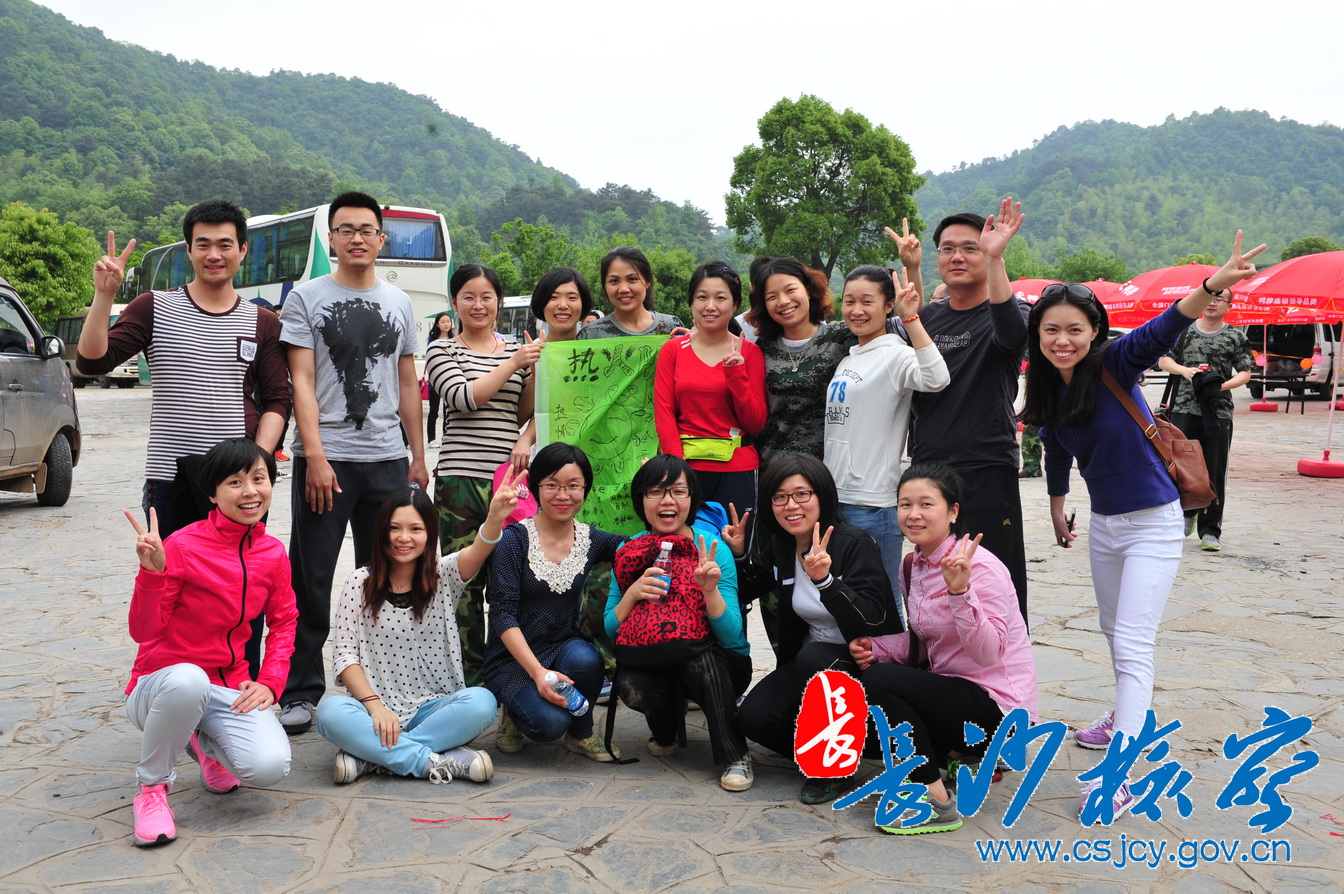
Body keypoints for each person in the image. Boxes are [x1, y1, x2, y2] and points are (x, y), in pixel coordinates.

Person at [1022, 232, 1264, 820]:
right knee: (1113, 631)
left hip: (1154, 523)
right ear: (1038, 335)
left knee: (1133, 644)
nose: (1062, 340)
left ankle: (1120, 775)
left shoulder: (1116, 361)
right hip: (1105, 526)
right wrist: (1056, 504)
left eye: (1074, 329)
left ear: (1094, 331)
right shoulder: (1048, 386)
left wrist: (1215, 283)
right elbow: (1055, 447)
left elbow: (1166, 325)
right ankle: (1122, 718)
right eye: (1051, 330)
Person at [278, 191, 430, 735]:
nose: (357, 238)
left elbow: (408, 383)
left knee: (388, 575)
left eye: (367, 230)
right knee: (311, 577)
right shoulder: (306, 298)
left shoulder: (400, 302)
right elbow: (300, 381)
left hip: (388, 461)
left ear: (381, 239)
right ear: (331, 239)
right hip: (327, 461)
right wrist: (315, 454)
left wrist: (417, 456)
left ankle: (382, 685)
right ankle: (301, 690)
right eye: (346, 230)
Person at [121, 438, 297, 848]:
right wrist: (152, 575)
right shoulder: (181, 546)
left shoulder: (272, 553)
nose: (250, 491)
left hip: (226, 685)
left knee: (269, 767)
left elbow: (285, 621)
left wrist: (271, 682)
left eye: (259, 479)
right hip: (161, 684)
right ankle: (151, 791)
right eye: (235, 482)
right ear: (213, 493)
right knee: (189, 681)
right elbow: (143, 631)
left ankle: (201, 744)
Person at [78, 203, 291, 539]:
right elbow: (92, 362)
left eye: (224, 245)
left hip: (239, 481)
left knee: (239, 569)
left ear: (242, 250)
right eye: (203, 245)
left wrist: (258, 461)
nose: (213, 255)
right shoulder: (153, 307)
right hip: (168, 476)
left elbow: (278, 399)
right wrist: (104, 295)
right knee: (172, 568)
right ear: (189, 250)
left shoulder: (262, 322)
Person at [849, 463, 1038, 835]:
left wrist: (959, 592)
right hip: (952, 694)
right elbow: (927, 641)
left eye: (926, 504)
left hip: (998, 708)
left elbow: (988, 654)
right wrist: (878, 647)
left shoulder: (981, 567)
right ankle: (955, 757)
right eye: (905, 504)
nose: (913, 514)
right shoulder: (912, 565)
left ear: (953, 511)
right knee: (868, 714)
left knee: (880, 682)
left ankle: (935, 799)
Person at [315, 478, 521, 785]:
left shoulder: (444, 575)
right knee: (330, 711)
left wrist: (494, 517)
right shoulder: (359, 582)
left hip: (432, 708)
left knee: (483, 702)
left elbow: (479, 550)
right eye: (394, 528)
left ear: (429, 533)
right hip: (373, 712)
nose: (403, 538)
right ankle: (431, 761)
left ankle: (371, 757)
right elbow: (345, 656)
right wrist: (376, 708)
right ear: (382, 531)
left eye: (415, 529)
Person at [730, 454, 899, 804]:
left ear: (822, 495)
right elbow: (745, 590)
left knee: (815, 656)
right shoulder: (782, 546)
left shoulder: (854, 543)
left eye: (801, 494)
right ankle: (835, 748)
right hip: (814, 666)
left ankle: (832, 768)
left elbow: (872, 619)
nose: (791, 505)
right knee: (753, 717)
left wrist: (826, 581)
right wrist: (739, 555)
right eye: (780, 497)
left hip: (866, 663)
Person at [910, 199, 1032, 624]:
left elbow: (1012, 338)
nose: (957, 256)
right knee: (933, 580)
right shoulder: (929, 318)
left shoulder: (1012, 311)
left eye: (970, 248)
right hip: (929, 469)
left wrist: (996, 259)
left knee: (995, 578)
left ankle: (1006, 661)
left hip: (986, 466)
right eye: (947, 249)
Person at [424, 264, 542, 688]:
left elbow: (529, 411)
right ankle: (467, 681)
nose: (478, 305)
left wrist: (535, 377)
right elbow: (464, 398)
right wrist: (515, 362)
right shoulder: (442, 351)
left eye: (486, 296)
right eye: (469, 297)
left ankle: (506, 675)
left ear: (498, 302)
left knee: (510, 583)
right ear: (454, 302)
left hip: (510, 482)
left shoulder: (518, 350)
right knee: (462, 581)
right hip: (458, 480)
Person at [606, 455, 753, 791]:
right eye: (656, 491)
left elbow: (733, 637)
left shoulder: (712, 548)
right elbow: (611, 630)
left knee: (698, 657)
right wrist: (632, 594)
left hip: (718, 666)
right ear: (641, 499)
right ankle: (665, 730)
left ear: (692, 498)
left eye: (678, 491)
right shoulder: (629, 550)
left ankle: (735, 754)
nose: (667, 500)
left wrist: (710, 591)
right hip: (654, 659)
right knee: (631, 682)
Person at [484, 443, 623, 761]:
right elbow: (502, 614)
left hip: (562, 646)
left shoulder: (590, 539)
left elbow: (638, 549)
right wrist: (537, 673)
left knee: (587, 659)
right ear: (536, 487)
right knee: (548, 725)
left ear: (585, 489)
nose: (563, 495)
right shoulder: (515, 539)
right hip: (513, 657)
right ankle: (512, 713)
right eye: (552, 485)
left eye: (573, 486)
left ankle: (582, 733)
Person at [825, 265, 949, 605]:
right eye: (849, 301)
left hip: (873, 504)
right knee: (850, 599)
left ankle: (899, 644)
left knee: (884, 600)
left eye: (867, 301)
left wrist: (912, 320)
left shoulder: (896, 354)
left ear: (888, 305)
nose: (857, 310)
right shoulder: (850, 358)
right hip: (838, 499)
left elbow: (937, 378)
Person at [654, 262, 768, 517]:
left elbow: (755, 423)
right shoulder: (672, 350)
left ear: (735, 304)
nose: (710, 306)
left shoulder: (750, 353)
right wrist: (677, 470)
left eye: (721, 298)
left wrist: (736, 375)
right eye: (702, 297)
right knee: (683, 540)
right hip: (686, 470)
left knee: (734, 541)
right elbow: (664, 412)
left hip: (737, 470)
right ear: (691, 302)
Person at [1156, 288, 1253, 551]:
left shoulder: (1235, 337)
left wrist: (1221, 386)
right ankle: (1185, 514)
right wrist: (1184, 371)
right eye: (1210, 297)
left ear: (1229, 306)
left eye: (1219, 299)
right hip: (1182, 409)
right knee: (1179, 467)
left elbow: (1245, 372)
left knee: (1214, 469)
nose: (1212, 302)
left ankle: (1210, 529)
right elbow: (1163, 360)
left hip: (1218, 411)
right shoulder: (1184, 332)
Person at [577, 247, 684, 339]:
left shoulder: (671, 326)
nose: (623, 289)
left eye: (632, 279)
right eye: (614, 281)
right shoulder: (590, 334)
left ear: (648, 282)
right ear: (605, 285)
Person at [425, 311, 456, 446]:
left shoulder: (454, 340)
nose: (446, 324)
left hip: (450, 379)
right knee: (433, 410)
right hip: (435, 380)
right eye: (443, 322)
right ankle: (431, 439)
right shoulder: (432, 340)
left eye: (448, 321)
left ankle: (446, 435)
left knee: (447, 410)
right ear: (437, 324)